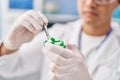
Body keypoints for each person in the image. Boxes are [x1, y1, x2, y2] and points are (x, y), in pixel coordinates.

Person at [0, 0, 120, 80]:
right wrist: (10, 45)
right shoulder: (57, 34)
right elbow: (7, 69)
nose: (90, 3)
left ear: (117, 3)